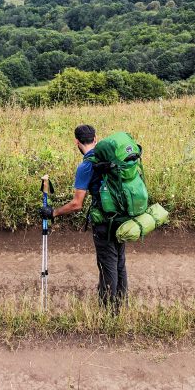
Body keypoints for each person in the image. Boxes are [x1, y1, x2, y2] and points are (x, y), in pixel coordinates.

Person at [43, 124, 127, 311]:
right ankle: (122, 305)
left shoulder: (86, 165)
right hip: (122, 217)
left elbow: (77, 204)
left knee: (107, 264)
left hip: (104, 221)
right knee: (119, 261)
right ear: (95, 138)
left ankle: (109, 312)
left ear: (77, 142)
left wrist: (53, 212)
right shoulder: (111, 158)